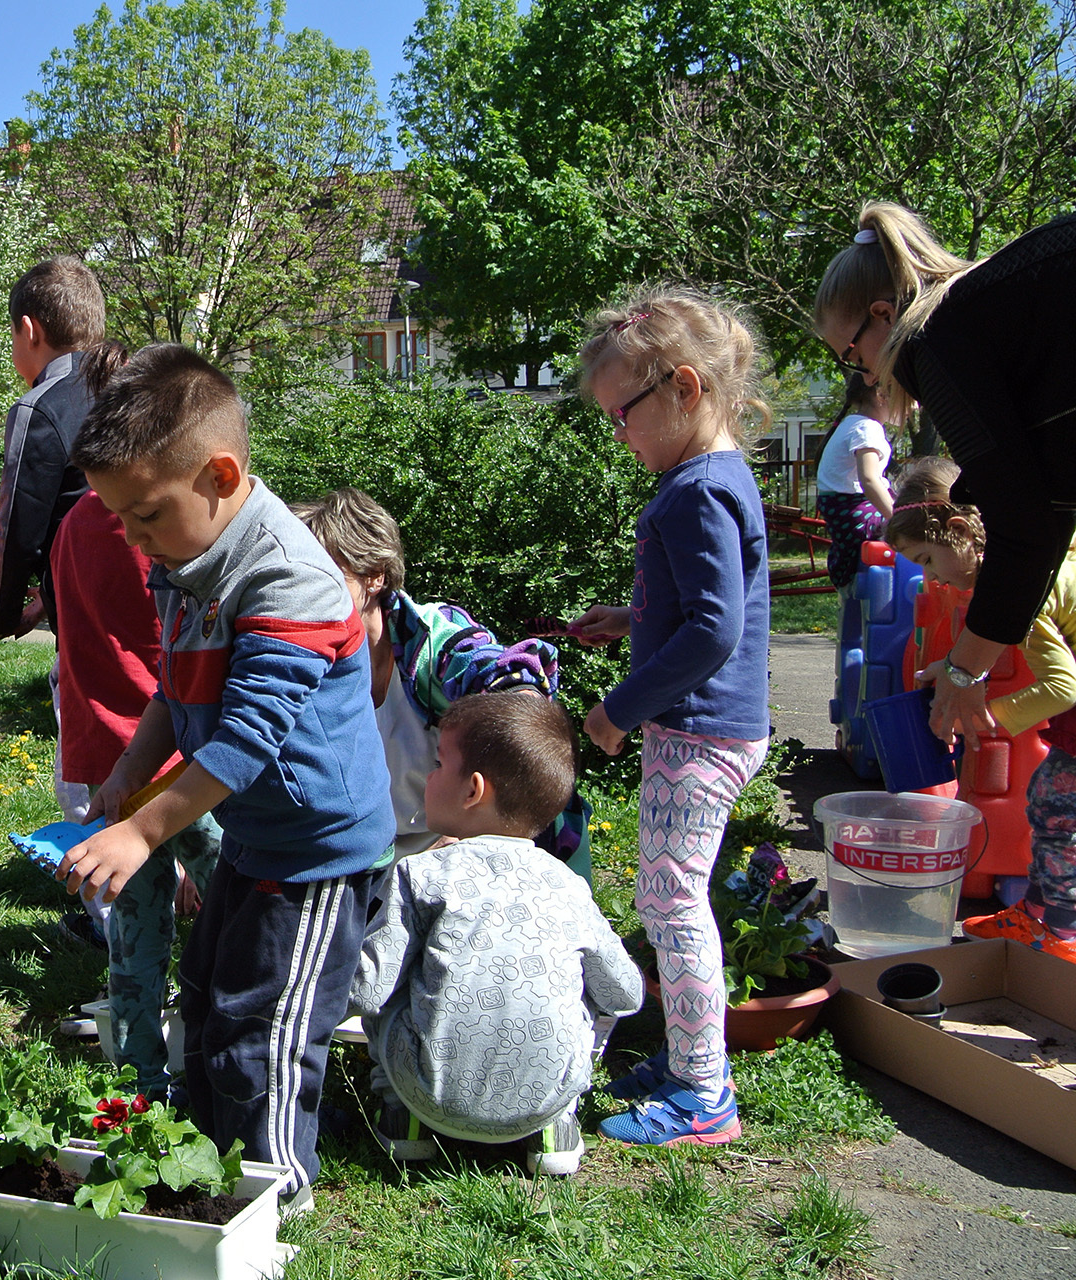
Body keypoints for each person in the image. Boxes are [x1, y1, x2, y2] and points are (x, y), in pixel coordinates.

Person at [55, 344, 394, 1209]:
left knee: (264, 1029)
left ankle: (274, 1199)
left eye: (145, 515)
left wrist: (143, 831)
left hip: (317, 851)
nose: (134, 539)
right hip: (254, 833)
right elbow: (176, 688)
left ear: (220, 476)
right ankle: (215, 1164)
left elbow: (246, 741)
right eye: (120, 519)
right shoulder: (185, 560)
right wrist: (128, 776)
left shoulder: (289, 577)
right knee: (207, 1000)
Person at [569, 285, 771, 1148]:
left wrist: (618, 709)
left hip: (699, 730)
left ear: (683, 387)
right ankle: (692, 1060)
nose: (620, 434)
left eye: (624, 414)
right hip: (710, 725)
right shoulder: (714, 478)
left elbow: (714, 631)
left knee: (670, 903)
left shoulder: (696, 491)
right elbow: (707, 607)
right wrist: (632, 619)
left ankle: (702, 1090)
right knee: (669, 899)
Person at [812, 202, 1076, 745]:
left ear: (884, 315)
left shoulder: (933, 341)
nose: (865, 376)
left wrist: (963, 672)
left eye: (852, 356)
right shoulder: (988, 310)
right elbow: (1045, 517)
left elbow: (1025, 530)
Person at [349, 692, 642, 1176]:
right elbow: (626, 994)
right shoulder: (569, 886)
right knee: (589, 988)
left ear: (473, 790)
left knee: (392, 970)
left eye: (439, 765)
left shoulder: (421, 873)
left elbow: (366, 991)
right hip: (545, 1095)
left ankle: (404, 1120)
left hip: (428, 1091)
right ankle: (555, 1127)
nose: (429, 777)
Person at [48, 341, 222, 1098]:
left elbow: (73, 642)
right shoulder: (157, 527)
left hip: (106, 752)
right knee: (232, 897)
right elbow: (173, 656)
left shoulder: (76, 524)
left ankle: (140, 1073)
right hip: (171, 755)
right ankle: (221, 1039)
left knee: (135, 928)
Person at [290, 487, 587, 862]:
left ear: (374, 577)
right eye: (298, 580)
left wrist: (467, 835)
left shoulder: (434, 643)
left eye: (326, 579)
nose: (306, 596)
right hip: (354, 850)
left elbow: (510, 678)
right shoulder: (296, 653)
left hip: (458, 851)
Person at [882, 494, 1076, 962]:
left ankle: (1063, 933)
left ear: (961, 533)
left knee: (1056, 812)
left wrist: (984, 719)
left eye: (928, 559)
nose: (931, 578)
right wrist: (956, 665)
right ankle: (1036, 914)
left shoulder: (1021, 592)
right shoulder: (1039, 559)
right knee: (1049, 803)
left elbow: (1062, 688)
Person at [0, 256, 104, 653]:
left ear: (29, 331)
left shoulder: (38, 408)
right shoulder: (133, 389)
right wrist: (47, 598)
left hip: (84, 610)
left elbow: (18, 529)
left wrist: (2, 615)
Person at [815, 372, 898, 589]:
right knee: (916, 522)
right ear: (881, 394)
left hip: (844, 510)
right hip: (854, 509)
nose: (915, 406)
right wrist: (897, 518)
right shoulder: (868, 428)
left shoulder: (853, 423)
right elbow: (869, 479)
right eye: (906, 396)